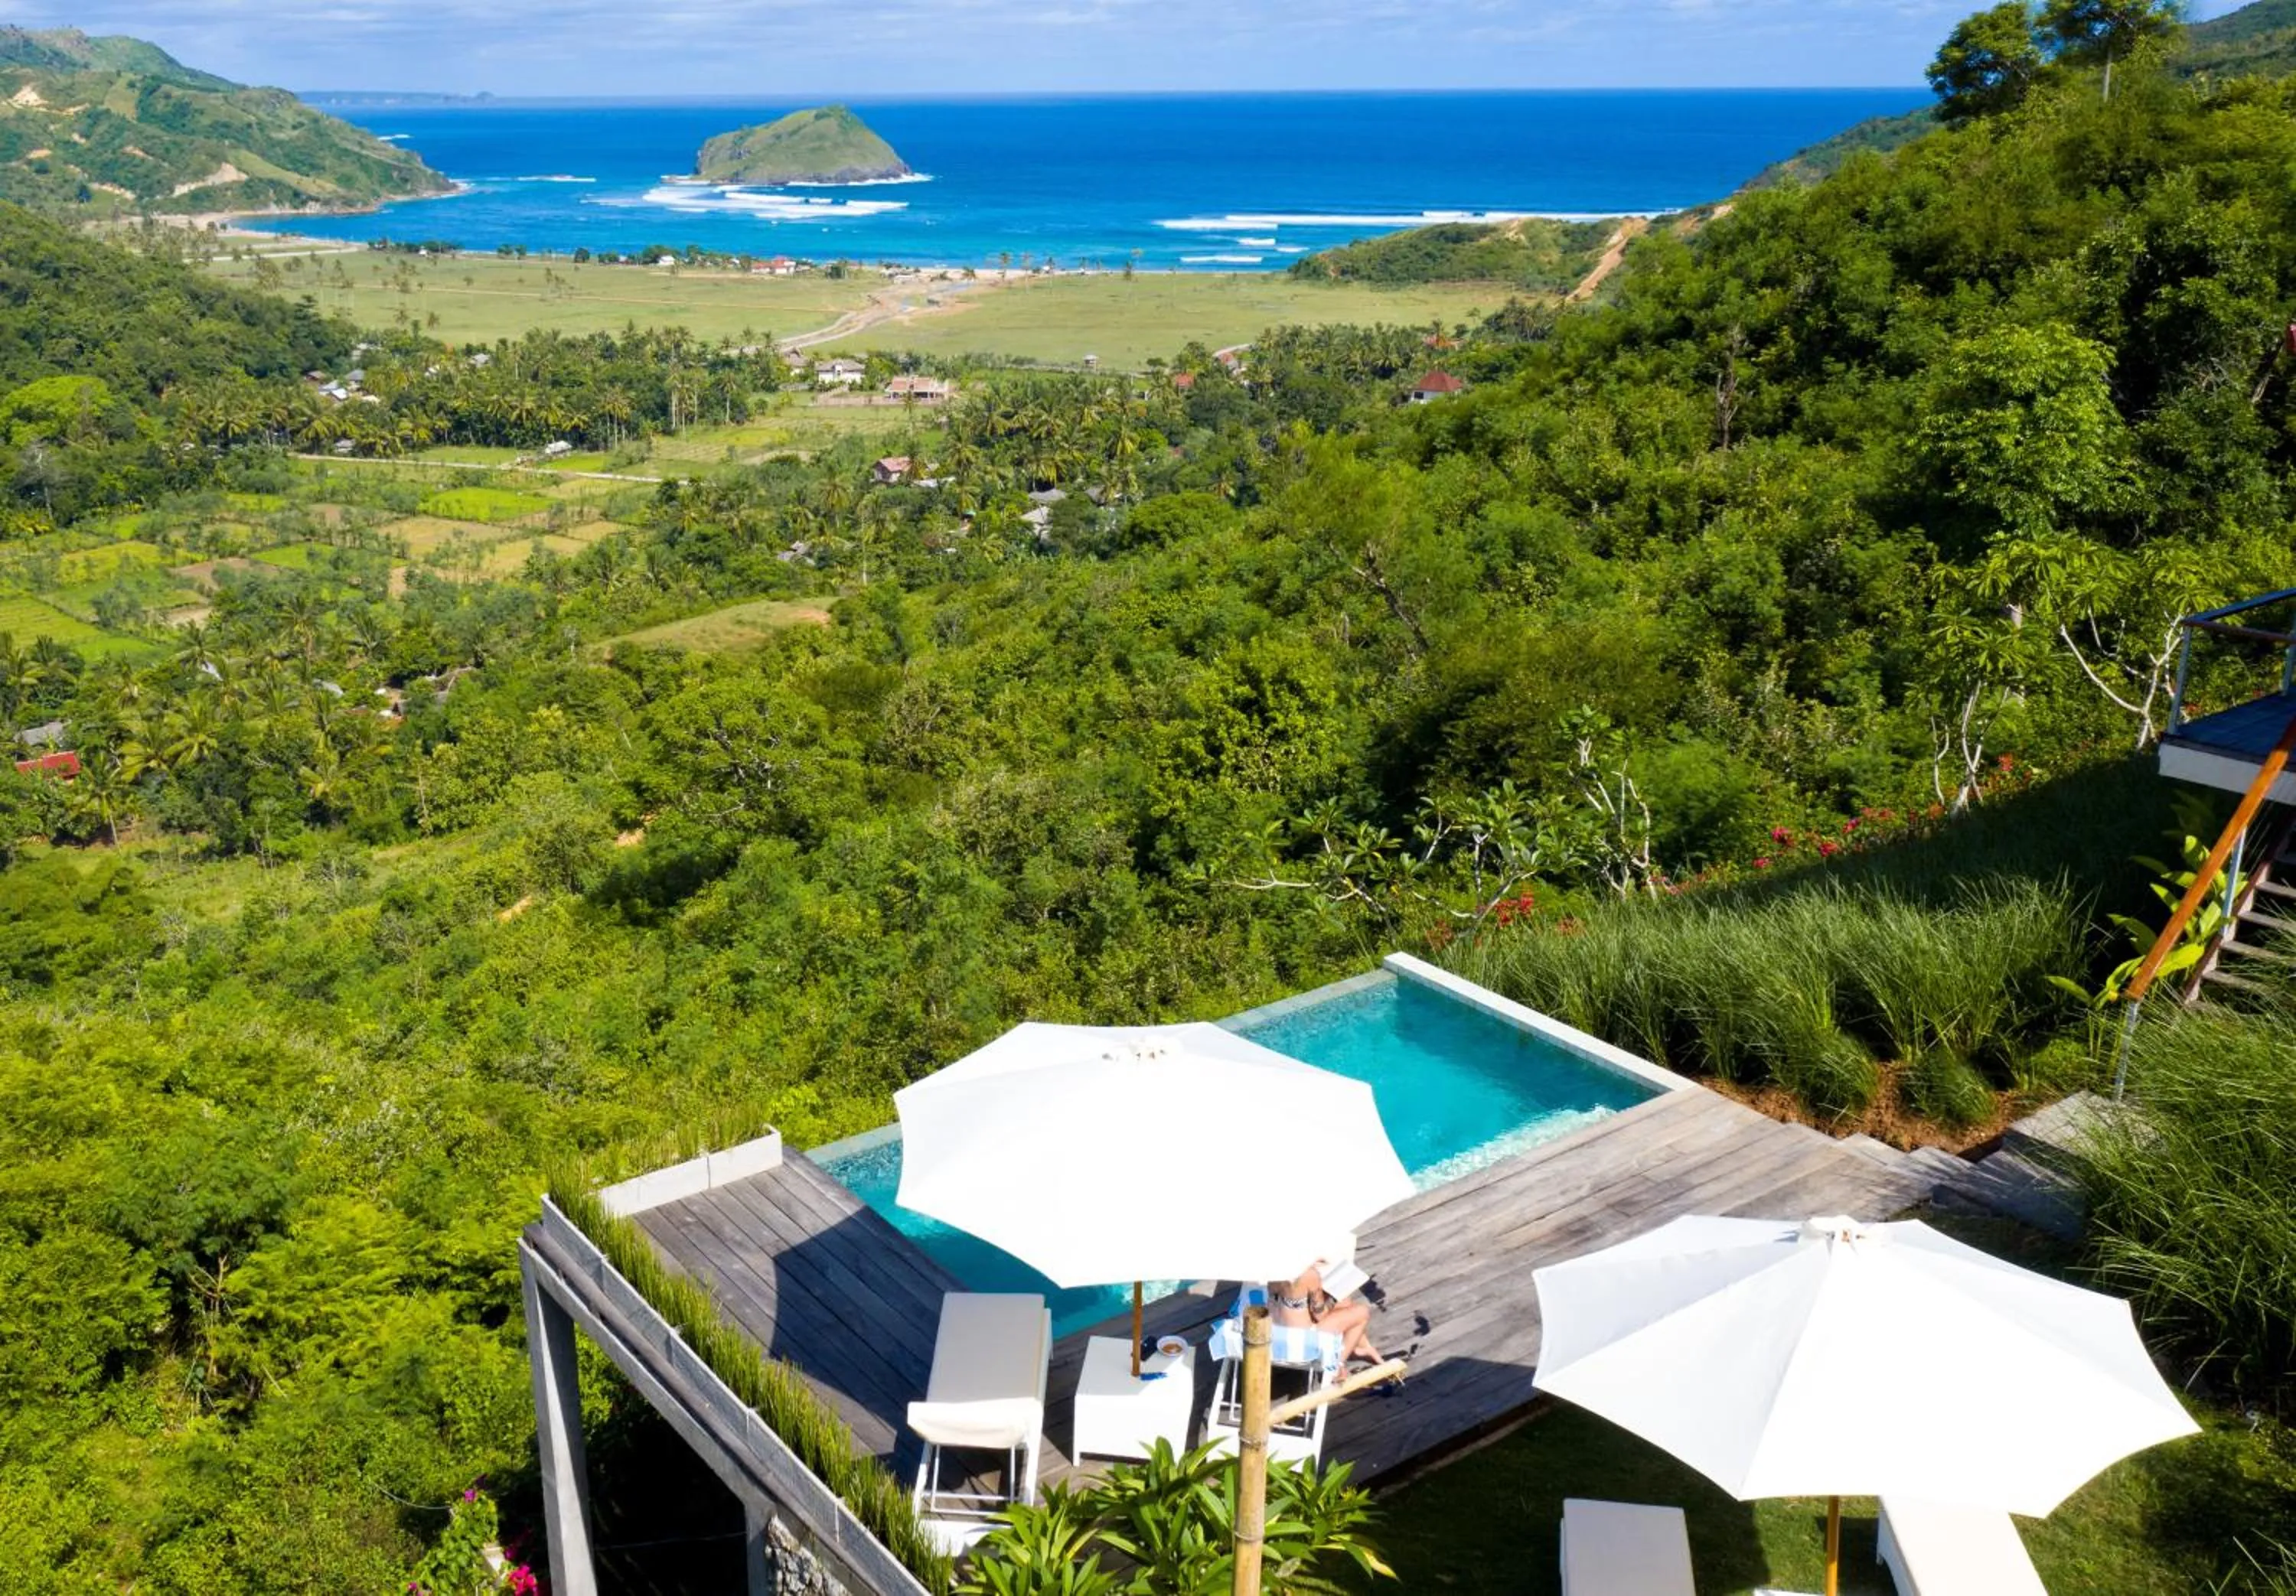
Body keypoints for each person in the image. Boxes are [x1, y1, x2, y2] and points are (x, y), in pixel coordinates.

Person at [1270, 1262, 1384, 1367]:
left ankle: (1362, 1348)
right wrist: (1330, 1300)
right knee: (1361, 1312)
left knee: (1342, 1299)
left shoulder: (1267, 1270)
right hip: (1300, 1346)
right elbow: (1319, 1314)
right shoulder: (1308, 1275)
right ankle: (1335, 1366)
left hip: (1275, 1338)